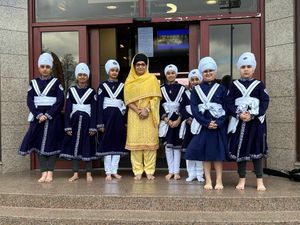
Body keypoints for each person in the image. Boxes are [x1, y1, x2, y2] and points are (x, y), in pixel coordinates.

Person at [19, 52, 64, 183]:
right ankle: (43, 171)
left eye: (47, 66)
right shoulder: (33, 83)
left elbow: (60, 101)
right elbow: (30, 101)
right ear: (39, 68)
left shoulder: (56, 83)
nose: (45, 69)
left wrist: (48, 114)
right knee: (38, 145)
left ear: (51, 69)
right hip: (37, 118)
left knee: (52, 144)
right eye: (42, 66)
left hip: (52, 118)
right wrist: (38, 114)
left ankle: (50, 172)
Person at [226, 52, 269, 191]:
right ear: (239, 69)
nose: (246, 69)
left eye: (249, 66)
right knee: (241, 151)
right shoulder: (234, 85)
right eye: (243, 66)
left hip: (256, 123)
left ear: (253, 68)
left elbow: (265, 102)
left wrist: (253, 114)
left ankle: (260, 180)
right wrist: (238, 115)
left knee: (256, 151)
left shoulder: (259, 85)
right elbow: (229, 103)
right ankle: (242, 179)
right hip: (240, 123)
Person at [185, 57, 227, 190]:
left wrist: (218, 123)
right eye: (205, 71)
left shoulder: (221, 88)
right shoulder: (196, 90)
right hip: (204, 126)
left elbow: (226, 108)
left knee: (218, 155)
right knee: (206, 155)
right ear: (201, 73)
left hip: (218, 126)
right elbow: (194, 109)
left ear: (215, 72)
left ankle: (219, 180)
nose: (208, 73)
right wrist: (206, 123)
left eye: (211, 71)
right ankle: (208, 180)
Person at [124, 53, 161, 180]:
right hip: (134, 115)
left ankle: (150, 171)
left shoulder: (152, 79)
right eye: (138, 65)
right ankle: (138, 171)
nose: (140, 67)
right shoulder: (129, 80)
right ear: (134, 66)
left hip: (149, 114)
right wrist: (138, 111)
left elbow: (156, 97)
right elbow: (128, 100)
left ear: (146, 65)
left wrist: (146, 109)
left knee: (149, 144)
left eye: (143, 64)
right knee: (136, 145)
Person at [60, 63, 97, 182]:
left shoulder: (92, 92)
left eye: (84, 75)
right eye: (80, 75)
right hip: (74, 123)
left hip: (87, 124)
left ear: (87, 76)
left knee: (87, 147)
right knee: (74, 148)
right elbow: (67, 110)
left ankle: (88, 173)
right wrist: (67, 126)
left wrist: (93, 127)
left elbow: (94, 110)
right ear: (77, 76)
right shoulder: (71, 91)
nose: (82, 77)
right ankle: (75, 173)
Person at [96, 59, 127, 181]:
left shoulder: (122, 86)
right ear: (108, 71)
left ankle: (115, 170)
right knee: (107, 145)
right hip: (106, 118)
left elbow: (125, 104)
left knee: (117, 144)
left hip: (118, 119)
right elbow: (99, 105)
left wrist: (125, 121)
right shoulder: (102, 86)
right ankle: (108, 171)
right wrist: (100, 123)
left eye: (116, 70)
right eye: (112, 70)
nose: (114, 72)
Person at [159, 64, 185, 180]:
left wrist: (179, 119)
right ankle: (170, 171)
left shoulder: (182, 89)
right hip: (167, 121)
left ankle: (177, 171)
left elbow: (184, 106)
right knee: (168, 148)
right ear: (165, 74)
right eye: (168, 73)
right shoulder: (161, 89)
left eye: (173, 73)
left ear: (176, 74)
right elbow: (158, 106)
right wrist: (166, 119)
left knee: (177, 147)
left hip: (178, 121)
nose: (171, 75)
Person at [180, 69, 204, 182]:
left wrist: (199, 119)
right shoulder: (186, 94)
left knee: (199, 149)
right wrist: (188, 119)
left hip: (200, 124)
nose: (194, 82)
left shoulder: (204, 93)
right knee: (189, 149)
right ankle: (191, 173)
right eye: (192, 80)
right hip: (189, 125)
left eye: (197, 79)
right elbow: (181, 108)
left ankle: (200, 173)